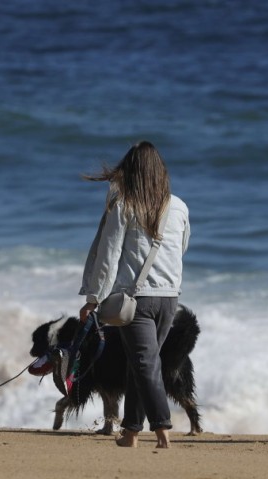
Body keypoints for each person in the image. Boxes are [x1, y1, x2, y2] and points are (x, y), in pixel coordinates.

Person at [78, 141, 190, 449]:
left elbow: (108, 255)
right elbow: (182, 248)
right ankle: (130, 431)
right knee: (141, 363)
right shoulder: (178, 206)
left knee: (143, 362)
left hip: (136, 300)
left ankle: (163, 428)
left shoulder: (124, 205)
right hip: (169, 298)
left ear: (130, 171)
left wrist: (93, 298)